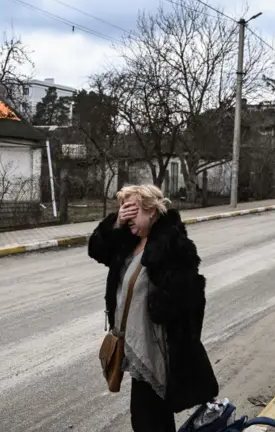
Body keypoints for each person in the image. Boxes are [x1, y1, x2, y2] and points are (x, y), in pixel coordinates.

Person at [88, 184, 219, 432]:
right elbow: (97, 250)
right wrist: (116, 222)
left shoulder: (172, 246)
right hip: (136, 350)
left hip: (157, 351)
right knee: (148, 420)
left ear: (152, 211)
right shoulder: (129, 242)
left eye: (132, 210)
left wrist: (162, 304)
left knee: (149, 421)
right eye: (123, 210)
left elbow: (191, 302)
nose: (127, 217)